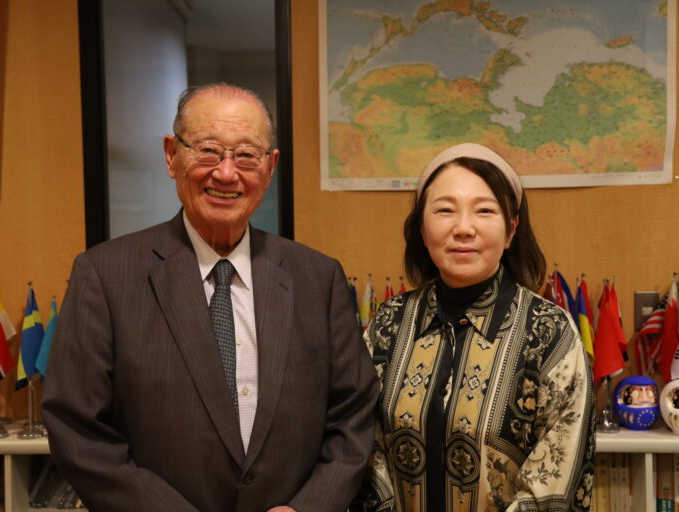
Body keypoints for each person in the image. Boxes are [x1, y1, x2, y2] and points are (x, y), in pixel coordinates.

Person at [42, 83, 378, 512]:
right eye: (208, 151)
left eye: (246, 155)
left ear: (270, 167)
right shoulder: (105, 275)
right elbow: (78, 430)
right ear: (171, 155)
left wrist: (307, 508)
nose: (226, 173)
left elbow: (353, 413)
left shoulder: (317, 277)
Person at [353, 144, 595, 512]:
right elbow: (362, 446)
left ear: (511, 229)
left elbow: (558, 482)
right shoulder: (389, 323)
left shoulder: (550, 333)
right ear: (422, 228)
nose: (464, 228)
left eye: (484, 211)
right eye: (445, 210)